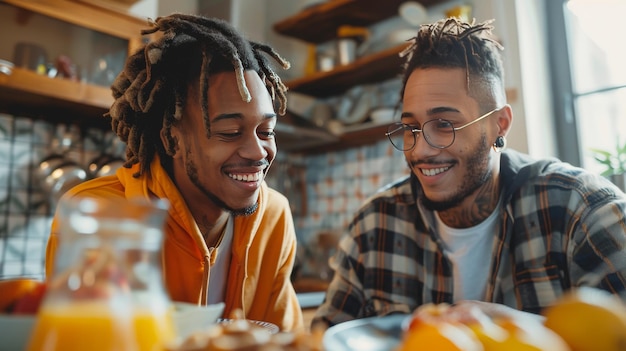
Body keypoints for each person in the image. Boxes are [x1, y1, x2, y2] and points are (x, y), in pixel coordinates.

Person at [313, 17, 626, 328]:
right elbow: (322, 340)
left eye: (445, 124)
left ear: (499, 124)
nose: (421, 150)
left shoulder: (584, 211)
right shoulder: (374, 225)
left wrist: (514, 330)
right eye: (410, 128)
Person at [43, 14, 303, 331]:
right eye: (230, 132)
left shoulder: (273, 216)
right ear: (173, 138)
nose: (257, 151)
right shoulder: (100, 219)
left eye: (267, 131)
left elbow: (286, 339)